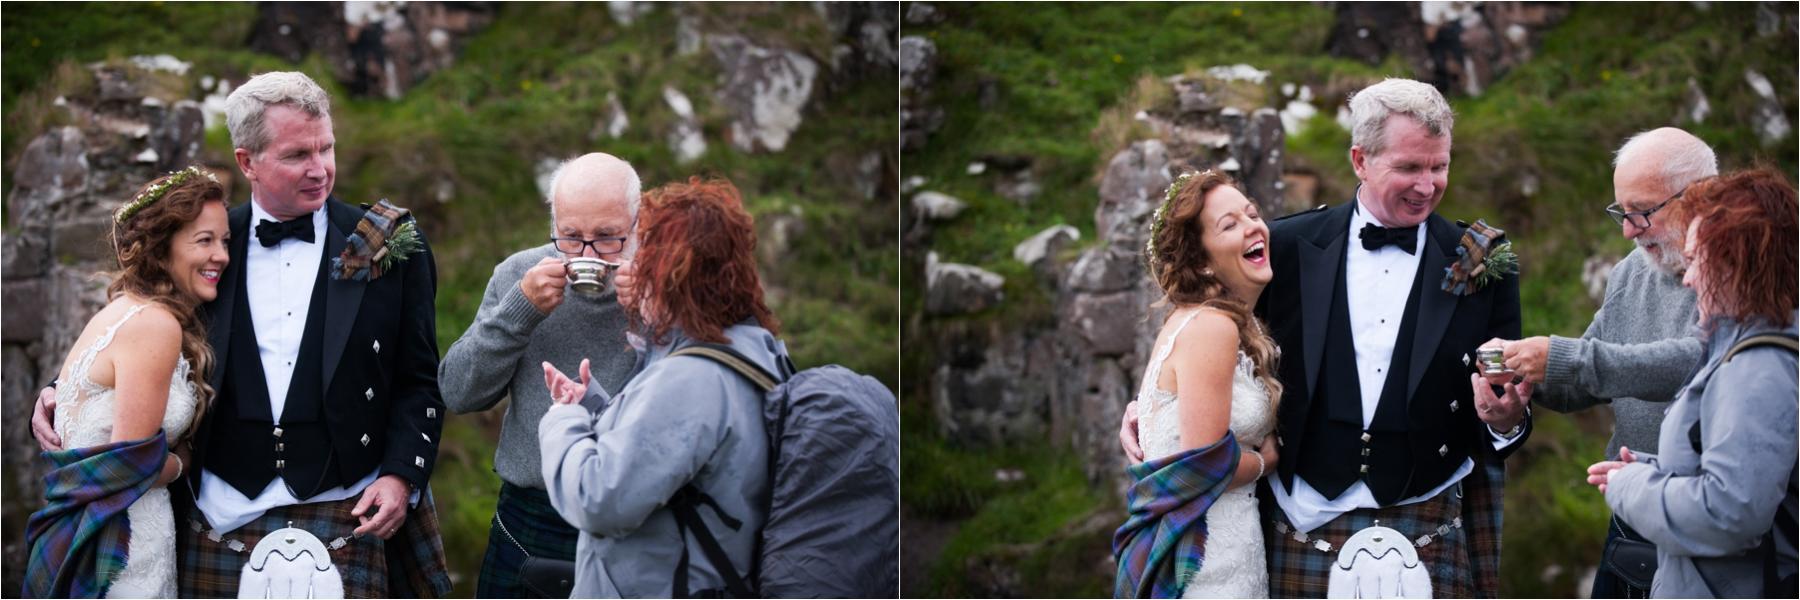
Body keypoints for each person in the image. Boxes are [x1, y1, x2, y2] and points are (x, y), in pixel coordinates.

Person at [32, 71, 451, 598]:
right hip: (219, 507)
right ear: (246, 161)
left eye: (327, 148)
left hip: (349, 503)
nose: (320, 169)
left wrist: (400, 476)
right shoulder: (206, 250)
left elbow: (418, 380)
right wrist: (62, 391)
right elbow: (131, 323)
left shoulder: (387, 243)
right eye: (297, 154)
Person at [1122, 78, 1531, 597]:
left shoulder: (1480, 260)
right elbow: (1202, 323)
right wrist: (1153, 408)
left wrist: (1507, 419)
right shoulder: (1285, 247)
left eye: (1439, 166)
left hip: (1428, 514)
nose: (1427, 185)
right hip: (1301, 515)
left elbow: (1508, 393)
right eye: (1408, 167)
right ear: (1360, 160)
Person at [1484, 127, 1715, 598]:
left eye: (1642, 212)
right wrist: (1521, 381)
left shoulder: (1751, 266)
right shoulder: (1634, 269)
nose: (1630, 230)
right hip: (1632, 518)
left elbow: (1700, 361)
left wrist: (1564, 357)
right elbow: (1583, 381)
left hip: (1711, 524)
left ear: (1699, 196)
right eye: (1621, 213)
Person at [539, 176, 784, 598]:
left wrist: (562, 421)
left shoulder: (690, 379)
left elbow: (599, 500)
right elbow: (680, 453)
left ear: (672, 275)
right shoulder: (752, 345)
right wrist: (594, 406)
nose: (633, 268)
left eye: (645, 255)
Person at [438, 152, 642, 598]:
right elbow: (458, 392)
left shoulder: (667, 282)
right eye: (570, 237)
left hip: (639, 515)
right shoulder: (520, 273)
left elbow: (698, 402)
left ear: (637, 224)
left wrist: (654, 317)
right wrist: (520, 310)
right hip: (532, 516)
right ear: (553, 223)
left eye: (607, 238)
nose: (587, 253)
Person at [1587, 167, 1798, 598]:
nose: (1688, 277)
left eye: (1698, 258)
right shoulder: (1747, 346)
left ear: (1736, 265)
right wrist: (1654, 470)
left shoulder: (1760, 367)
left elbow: (1730, 516)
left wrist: (1632, 487)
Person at [22, 167, 228, 598]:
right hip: (125, 543)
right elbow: (131, 464)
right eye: (204, 240)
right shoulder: (155, 325)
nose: (222, 255)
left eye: (224, 241)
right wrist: (182, 461)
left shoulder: (118, 310)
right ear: (163, 244)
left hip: (104, 522)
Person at [1113, 170, 1283, 598]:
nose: (1252, 227)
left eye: (1252, 213)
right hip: (1208, 556)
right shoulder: (1213, 327)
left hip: (1227, 542)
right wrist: (1268, 461)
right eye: (1230, 225)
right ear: (1203, 261)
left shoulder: (1198, 320)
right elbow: (1205, 462)